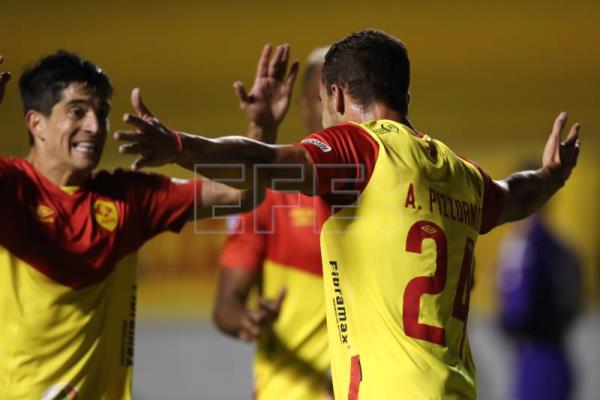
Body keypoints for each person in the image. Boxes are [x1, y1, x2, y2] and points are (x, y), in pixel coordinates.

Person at [115, 29, 581, 399]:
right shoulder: (457, 171)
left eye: (322, 102)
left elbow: (263, 161)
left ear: (336, 96)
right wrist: (552, 177)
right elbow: (516, 195)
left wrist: (179, 146)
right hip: (455, 389)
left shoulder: (359, 149)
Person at [0, 48, 294, 399]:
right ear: (36, 123)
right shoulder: (11, 189)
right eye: (77, 111)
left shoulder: (128, 199)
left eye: (102, 113)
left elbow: (241, 194)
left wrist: (262, 128)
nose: (95, 127)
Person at [214, 46, 332, 400]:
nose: (336, 111)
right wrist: (250, 319)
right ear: (304, 108)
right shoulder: (269, 193)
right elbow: (226, 306)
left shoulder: (382, 189)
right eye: (325, 98)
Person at [498, 198, 581, 400]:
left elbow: (516, 311)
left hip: (537, 356)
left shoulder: (525, 245)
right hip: (555, 356)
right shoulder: (562, 247)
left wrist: (511, 325)